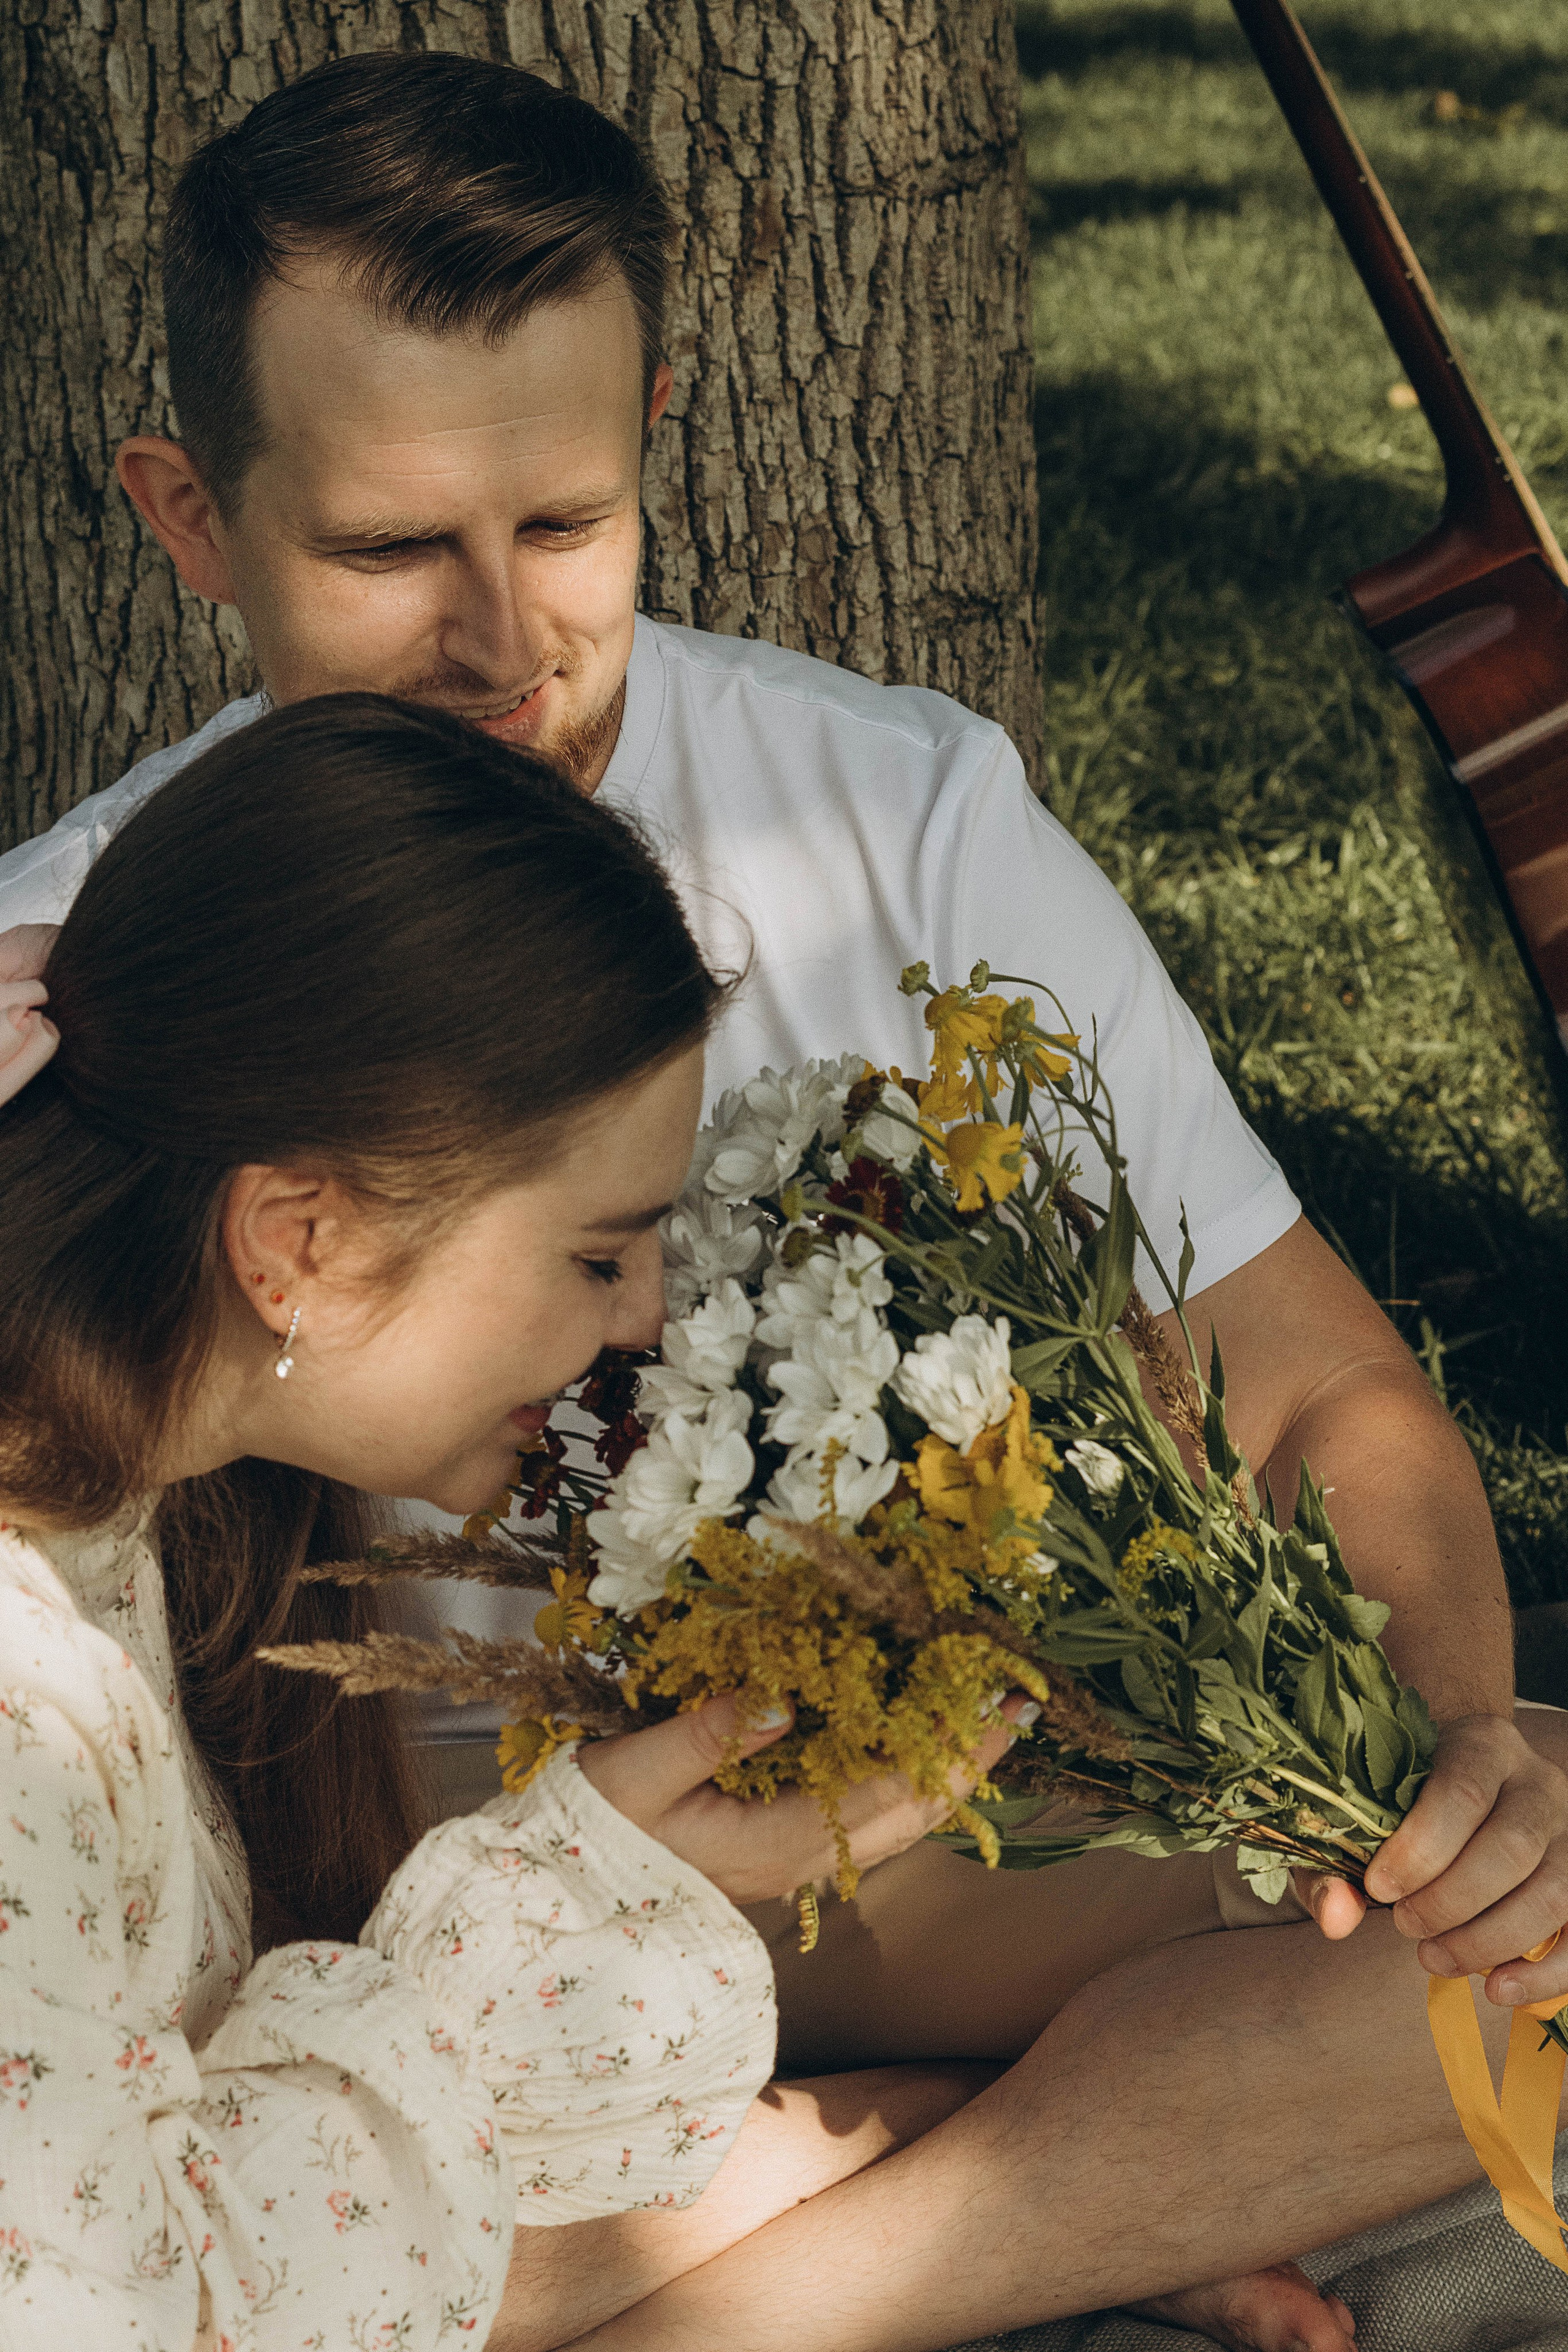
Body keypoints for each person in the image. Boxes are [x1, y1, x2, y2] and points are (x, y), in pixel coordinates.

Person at [2, 50, 1564, 2350]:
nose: (503, 645)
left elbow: (1315, 1384)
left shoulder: (898, 817)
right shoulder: (108, 982)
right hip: (383, 1940)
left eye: (566, 527)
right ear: (190, 521)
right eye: (387, 549)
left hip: (893, 1859)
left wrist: (1457, 1761)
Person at [0, 693, 1038, 2347]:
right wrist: (557, 1923)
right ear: (303, 1245)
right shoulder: (19, 1703)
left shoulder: (120, 1504)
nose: (642, 1323)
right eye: (596, 1255)